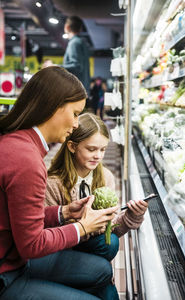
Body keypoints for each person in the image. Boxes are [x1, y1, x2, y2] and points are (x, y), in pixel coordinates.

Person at [0, 66, 119, 300]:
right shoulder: (27, 161)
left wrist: (62, 213)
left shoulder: (17, 143)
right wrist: (82, 228)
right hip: (7, 273)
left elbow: (20, 218)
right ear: (54, 108)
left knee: (103, 270)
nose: (76, 124)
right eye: (75, 113)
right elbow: (31, 244)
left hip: (14, 258)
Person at [46, 113, 148, 247]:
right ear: (72, 146)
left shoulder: (106, 177)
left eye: (103, 150)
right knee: (109, 247)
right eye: (91, 149)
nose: (98, 156)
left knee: (110, 243)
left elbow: (112, 228)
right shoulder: (53, 183)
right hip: (63, 247)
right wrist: (86, 225)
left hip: (92, 245)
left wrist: (132, 215)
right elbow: (47, 231)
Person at [63, 16, 90, 95]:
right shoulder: (81, 42)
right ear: (80, 29)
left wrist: (54, 66)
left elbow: (77, 66)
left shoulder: (74, 43)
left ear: (67, 27)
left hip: (74, 90)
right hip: (79, 89)